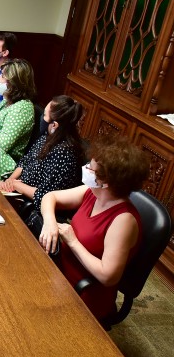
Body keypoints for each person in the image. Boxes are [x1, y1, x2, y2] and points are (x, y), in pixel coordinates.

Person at [39, 134, 149, 321]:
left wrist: (73, 241)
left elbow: (108, 276)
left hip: (83, 293)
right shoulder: (93, 193)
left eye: (91, 168)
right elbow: (50, 197)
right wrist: (50, 222)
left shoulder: (124, 221)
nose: (87, 170)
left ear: (105, 182)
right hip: (57, 270)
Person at [0, 95, 85, 210]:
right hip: (15, 189)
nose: (42, 118)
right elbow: (25, 160)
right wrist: (10, 180)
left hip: (30, 205)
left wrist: (17, 185)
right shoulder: (47, 136)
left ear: (55, 125)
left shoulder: (64, 154)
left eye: (45, 116)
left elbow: (45, 196)